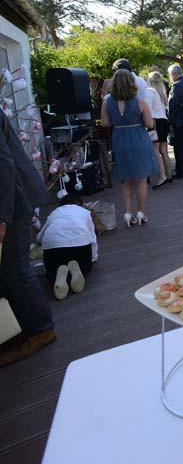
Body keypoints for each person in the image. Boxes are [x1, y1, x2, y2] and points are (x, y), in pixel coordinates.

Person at [0, 109, 55, 366]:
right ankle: (18, 327)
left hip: (12, 203)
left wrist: (2, 217)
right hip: (12, 201)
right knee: (10, 270)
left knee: (15, 270)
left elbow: (3, 165)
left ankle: (41, 329)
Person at [101, 69, 159, 227]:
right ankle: (140, 212)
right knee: (141, 180)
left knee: (126, 180)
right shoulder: (140, 102)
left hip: (119, 139)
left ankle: (127, 213)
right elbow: (149, 124)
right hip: (138, 138)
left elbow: (105, 123)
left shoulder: (107, 103)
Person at [37, 193, 97, 300]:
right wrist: (93, 257)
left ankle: (56, 274)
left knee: (51, 270)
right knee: (86, 265)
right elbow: (92, 237)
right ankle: (79, 271)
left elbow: (40, 237)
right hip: (79, 244)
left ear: (61, 205)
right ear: (80, 204)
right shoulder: (85, 212)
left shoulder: (54, 213)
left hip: (53, 247)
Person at [145, 71, 172, 189]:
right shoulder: (162, 93)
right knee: (164, 151)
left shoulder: (150, 91)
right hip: (163, 122)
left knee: (155, 150)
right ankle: (169, 174)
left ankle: (162, 176)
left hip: (155, 122)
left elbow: (147, 109)